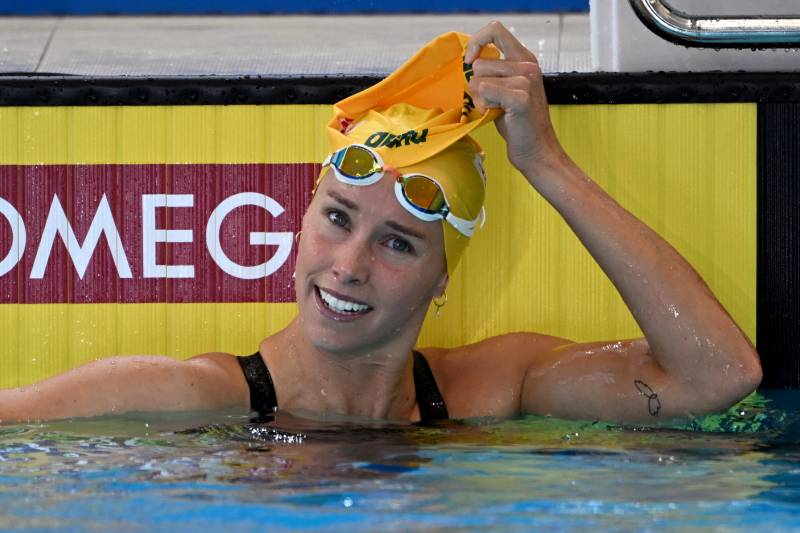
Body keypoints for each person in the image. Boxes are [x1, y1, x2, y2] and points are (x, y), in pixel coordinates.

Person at [0, 22, 761, 425]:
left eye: (399, 241)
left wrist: (548, 164)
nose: (349, 263)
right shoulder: (181, 397)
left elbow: (718, 376)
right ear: (302, 220)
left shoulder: (494, 389)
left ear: (443, 277)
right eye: (337, 217)